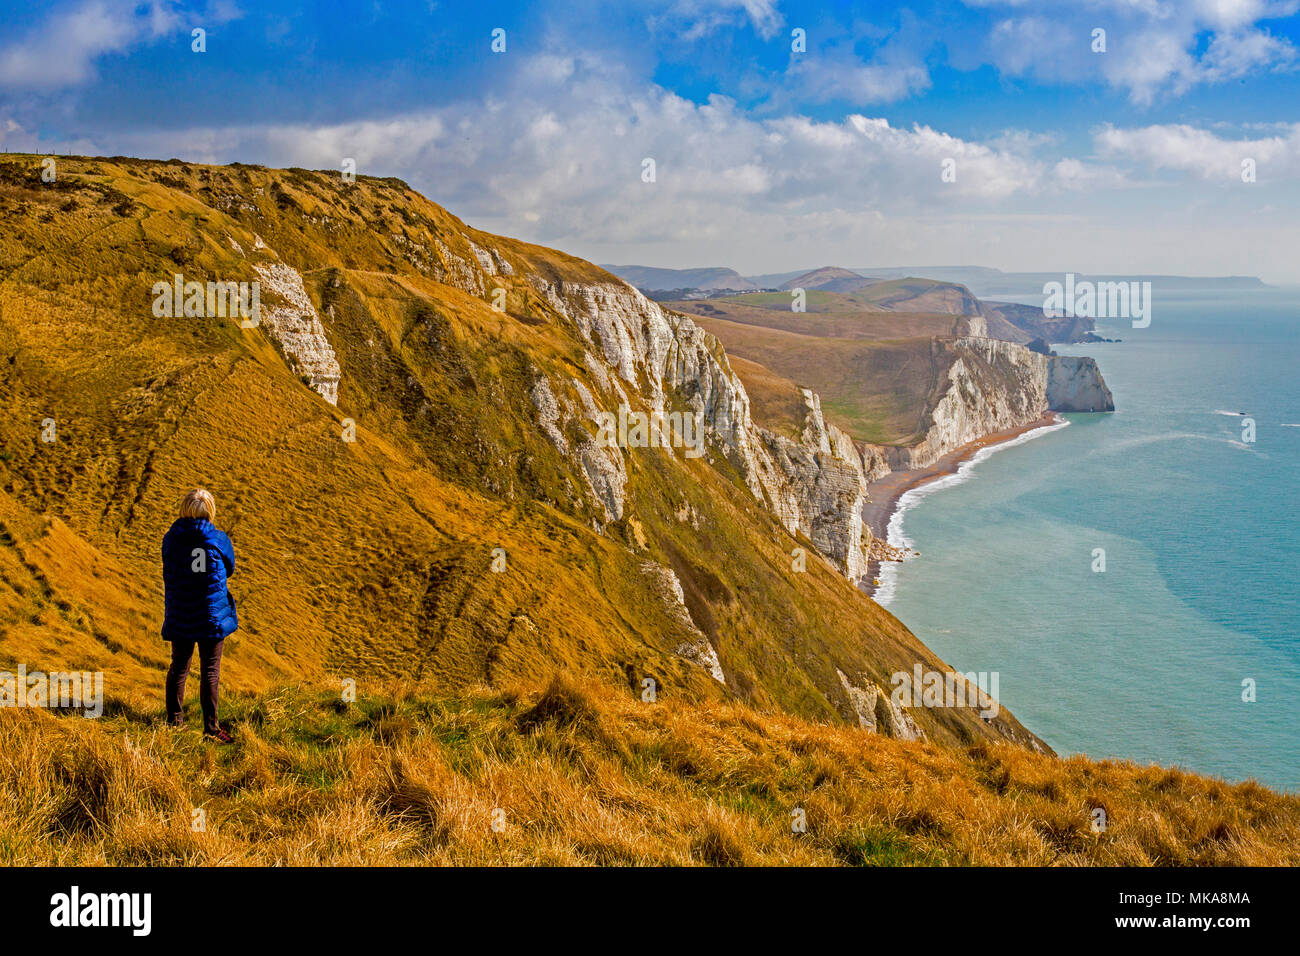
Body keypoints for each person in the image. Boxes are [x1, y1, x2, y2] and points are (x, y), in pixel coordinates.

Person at [161, 488, 237, 743]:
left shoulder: (171, 539)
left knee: (179, 667)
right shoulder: (218, 540)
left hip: (181, 612)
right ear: (210, 511)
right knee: (210, 670)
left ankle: (174, 723)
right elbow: (230, 568)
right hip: (210, 614)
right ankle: (211, 730)